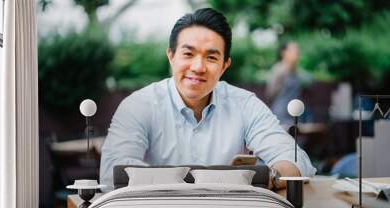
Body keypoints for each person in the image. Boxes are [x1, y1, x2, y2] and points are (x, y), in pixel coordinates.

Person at [100, 8, 316, 191]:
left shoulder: (245, 105)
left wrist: (270, 177)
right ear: (171, 57)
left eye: (211, 57)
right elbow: (112, 174)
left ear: (224, 66)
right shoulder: (138, 105)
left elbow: (298, 161)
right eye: (188, 54)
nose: (198, 67)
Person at [266, 41, 302, 125]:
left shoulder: (296, 71)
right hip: (281, 115)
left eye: (297, 50)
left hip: (295, 114)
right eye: (293, 50)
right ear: (284, 53)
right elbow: (270, 92)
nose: (297, 52)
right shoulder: (278, 69)